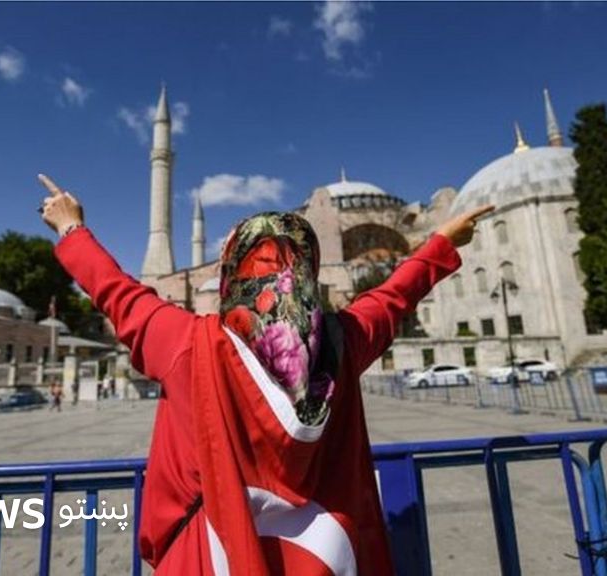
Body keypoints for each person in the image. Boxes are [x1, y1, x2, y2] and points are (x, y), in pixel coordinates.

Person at [39, 173, 491, 575]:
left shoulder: (187, 344)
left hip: (206, 555)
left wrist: (71, 228)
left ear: (232, 269)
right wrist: (441, 243)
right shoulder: (344, 342)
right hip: (327, 553)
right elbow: (391, 299)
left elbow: (118, 293)